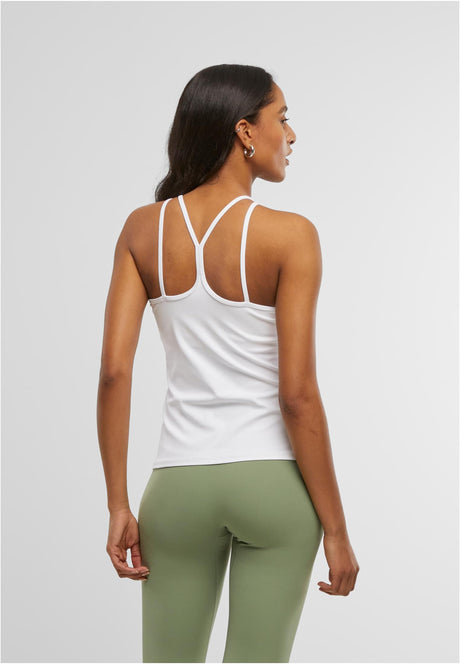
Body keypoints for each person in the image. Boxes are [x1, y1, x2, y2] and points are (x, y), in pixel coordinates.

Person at [97, 63, 359, 663]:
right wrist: (337, 532)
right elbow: (297, 395)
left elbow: (114, 372)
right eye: (282, 118)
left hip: (177, 488)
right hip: (272, 487)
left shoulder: (142, 230)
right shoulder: (290, 236)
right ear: (245, 131)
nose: (291, 135)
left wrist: (118, 504)